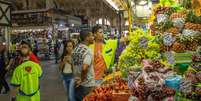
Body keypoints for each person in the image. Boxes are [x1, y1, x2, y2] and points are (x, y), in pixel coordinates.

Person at [72, 29, 96, 101]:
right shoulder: (88, 51)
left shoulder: (76, 49)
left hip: (76, 83)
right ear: (87, 38)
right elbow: (85, 67)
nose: (93, 37)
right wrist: (81, 80)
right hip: (87, 85)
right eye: (91, 36)